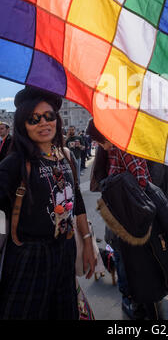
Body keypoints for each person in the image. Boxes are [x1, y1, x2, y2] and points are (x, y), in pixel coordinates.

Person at [0, 86, 96, 320]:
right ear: (23, 124)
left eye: (49, 116)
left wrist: (87, 243)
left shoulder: (65, 157)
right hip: (29, 256)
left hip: (65, 250)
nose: (43, 123)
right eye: (34, 119)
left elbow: (78, 202)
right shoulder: (14, 163)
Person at [87, 119, 168, 320]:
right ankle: (133, 299)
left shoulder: (128, 146)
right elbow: (104, 179)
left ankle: (144, 302)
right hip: (125, 214)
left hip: (142, 214)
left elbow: (151, 182)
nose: (100, 146)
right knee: (128, 262)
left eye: (100, 142)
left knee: (146, 268)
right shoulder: (114, 147)